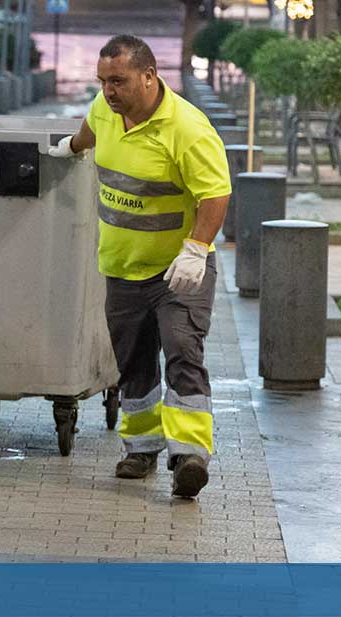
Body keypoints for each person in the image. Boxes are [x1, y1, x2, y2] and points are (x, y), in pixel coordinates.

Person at [47, 35, 231, 498]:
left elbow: (215, 194)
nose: (109, 91)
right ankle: (141, 450)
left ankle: (190, 456)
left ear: (149, 77)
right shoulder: (105, 109)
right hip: (123, 266)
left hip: (178, 272)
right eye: (103, 81)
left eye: (119, 81)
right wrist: (70, 147)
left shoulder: (187, 129)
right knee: (132, 363)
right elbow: (90, 131)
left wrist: (196, 248)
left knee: (182, 351)